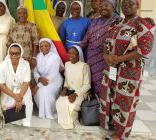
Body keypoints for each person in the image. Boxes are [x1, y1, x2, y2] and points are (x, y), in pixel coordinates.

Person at [100, 0, 155, 139]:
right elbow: (107, 42)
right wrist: (106, 55)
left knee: (125, 101)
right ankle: (112, 124)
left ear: (138, 5)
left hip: (129, 72)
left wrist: (118, 59)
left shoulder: (143, 24)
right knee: (111, 95)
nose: (127, 6)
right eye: (124, 3)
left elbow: (144, 50)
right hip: (111, 68)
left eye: (132, 3)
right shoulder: (116, 23)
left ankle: (121, 134)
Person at [80, 0, 120, 97]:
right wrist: (77, 49)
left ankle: (106, 108)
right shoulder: (95, 21)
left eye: (106, 5)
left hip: (108, 60)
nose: (103, 8)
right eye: (101, 6)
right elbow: (87, 37)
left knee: (109, 83)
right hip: (92, 59)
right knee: (93, 82)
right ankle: (95, 107)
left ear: (113, 6)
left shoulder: (118, 21)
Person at [0, 43, 33, 127]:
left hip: (22, 90)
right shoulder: (3, 65)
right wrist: (15, 96)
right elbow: (1, 84)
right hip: (8, 92)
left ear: (21, 54)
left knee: (26, 98)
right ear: (8, 53)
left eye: (17, 53)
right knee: (13, 116)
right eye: (11, 53)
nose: (14, 55)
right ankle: (15, 119)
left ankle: (26, 121)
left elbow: (26, 82)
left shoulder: (26, 64)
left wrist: (20, 97)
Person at [56, 46, 91, 129]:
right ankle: (66, 121)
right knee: (59, 102)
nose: (70, 55)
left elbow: (87, 85)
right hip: (69, 91)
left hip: (80, 93)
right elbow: (66, 81)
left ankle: (70, 122)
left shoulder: (84, 66)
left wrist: (76, 94)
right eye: (69, 53)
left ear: (78, 54)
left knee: (69, 105)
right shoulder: (67, 64)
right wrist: (64, 88)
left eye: (73, 53)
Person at [32, 38, 63, 119]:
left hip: (54, 80)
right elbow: (35, 71)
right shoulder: (38, 56)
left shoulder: (55, 57)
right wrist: (39, 78)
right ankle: (43, 113)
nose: (44, 48)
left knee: (44, 91)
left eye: (46, 46)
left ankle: (50, 112)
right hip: (41, 80)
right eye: (41, 46)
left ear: (50, 46)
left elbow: (53, 75)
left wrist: (37, 86)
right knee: (42, 91)